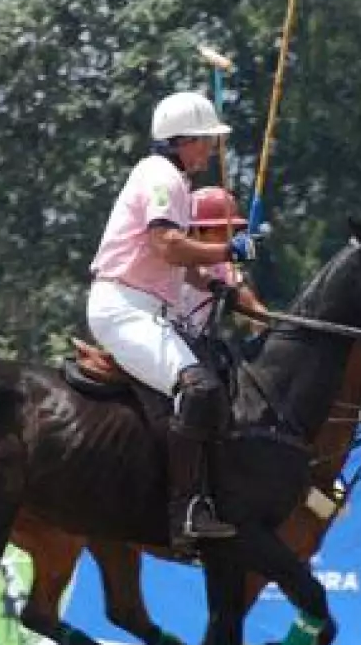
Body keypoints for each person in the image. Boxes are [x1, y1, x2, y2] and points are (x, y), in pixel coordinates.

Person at [87, 92, 257, 554]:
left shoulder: (173, 180)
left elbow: (181, 266)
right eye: (206, 142)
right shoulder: (161, 177)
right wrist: (228, 251)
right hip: (123, 306)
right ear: (182, 140)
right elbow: (167, 246)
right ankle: (184, 511)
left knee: (213, 382)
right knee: (198, 388)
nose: (211, 151)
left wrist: (216, 284)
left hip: (144, 306)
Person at [176, 186, 270, 334]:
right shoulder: (171, 256)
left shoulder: (223, 268)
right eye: (220, 230)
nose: (228, 237)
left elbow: (249, 303)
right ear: (195, 230)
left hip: (198, 342)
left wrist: (259, 317)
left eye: (231, 230)